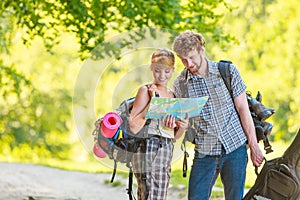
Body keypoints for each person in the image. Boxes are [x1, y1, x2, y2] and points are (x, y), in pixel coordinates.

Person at [171, 30, 264, 200]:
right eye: (183, 59)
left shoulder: (227, 71)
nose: (188, 63)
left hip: (235, 147)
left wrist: (254, 146)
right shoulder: (180, 84)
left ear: (201, 50)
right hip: (204, 152)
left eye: (191, 57)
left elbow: (243, 108)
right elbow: (181, 119)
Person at [128, 48, 189, 200]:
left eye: (167, 71)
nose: (162, 76)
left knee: (159, 194)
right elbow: (134, 126)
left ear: (173, 70)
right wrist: (152, 103)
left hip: (166, 148)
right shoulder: (145, 90)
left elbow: (174, 137)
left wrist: (182, 126)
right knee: (148, 193)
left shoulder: (173, 95)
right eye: (157, 71)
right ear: (151, 69)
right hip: (147, 146)